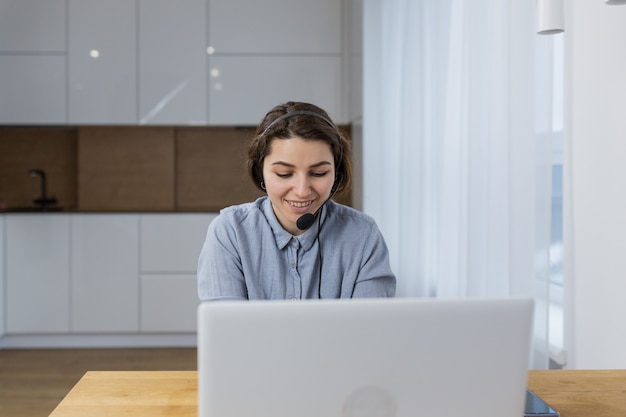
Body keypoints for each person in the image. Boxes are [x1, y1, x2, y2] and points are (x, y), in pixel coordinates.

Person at [197, 101, 395, 300]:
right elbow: (227, 329)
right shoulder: (230, 232)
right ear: (260, 173)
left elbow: (370, 329)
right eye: (284, 174)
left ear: (338, 174)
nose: (302, 191)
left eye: (319, 173)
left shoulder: (363, 236)